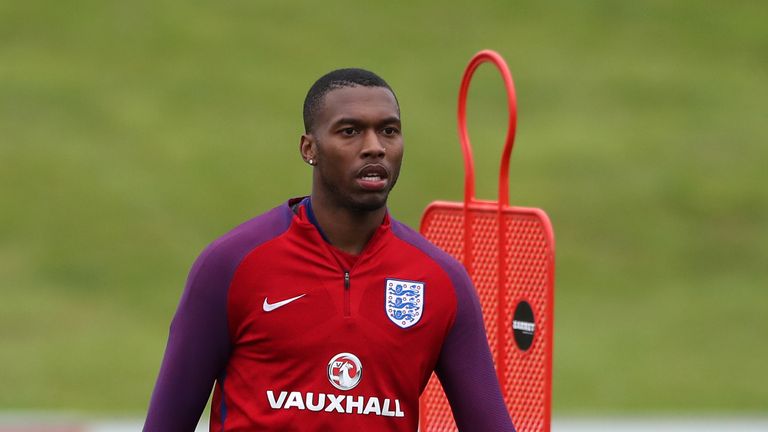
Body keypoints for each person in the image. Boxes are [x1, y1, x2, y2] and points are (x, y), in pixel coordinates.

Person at [143, 68, 515, 431]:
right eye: (350, 131)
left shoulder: (441, 281)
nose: (374, 147)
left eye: (388, 131)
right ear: (310, 148)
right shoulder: (231, 264)